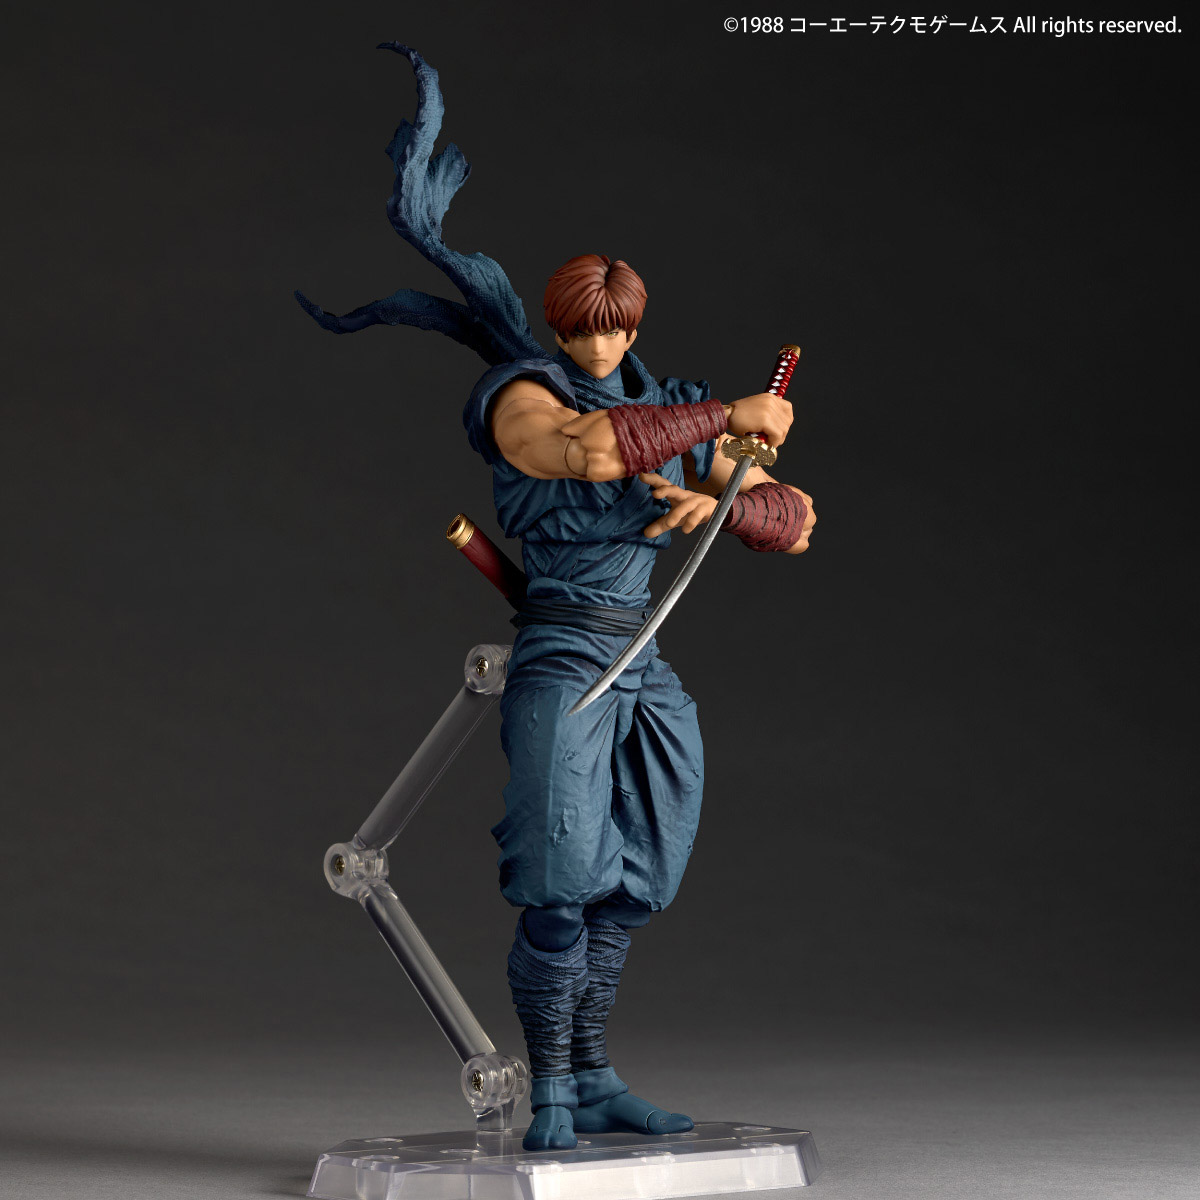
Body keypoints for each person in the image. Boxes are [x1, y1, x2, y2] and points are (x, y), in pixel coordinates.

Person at [462, 253, 816, 1150]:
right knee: (557, 877)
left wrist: (722, 510)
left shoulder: (667, 404)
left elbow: (796, 524)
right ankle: (549, 1086)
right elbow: (591, 453)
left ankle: (591, 1076)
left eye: (614, 329)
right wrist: (726, 418)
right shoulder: (523, 397)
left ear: (634, 327)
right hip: (563, 648)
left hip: (641, 652)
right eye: (582, 330)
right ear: (556, 328)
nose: (598, 346)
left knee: (641, 873)